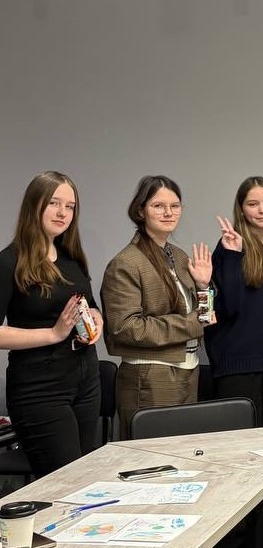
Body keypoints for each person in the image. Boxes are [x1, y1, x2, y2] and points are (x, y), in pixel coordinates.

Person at [0, 171, 101, 477]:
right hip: (40, 388)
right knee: (64, 482)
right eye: (54, 203)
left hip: (85, 379)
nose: (62, 213)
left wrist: (96, 321)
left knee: (85, 480)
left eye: (70, 206)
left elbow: (90, 305)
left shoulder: (72, 257)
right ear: (35, 205)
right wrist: (53, 333)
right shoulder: (10, 261)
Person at [101, 175, 215, 440]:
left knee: (182, 453)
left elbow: (203, 314)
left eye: (175, 206)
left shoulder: (179, 256)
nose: (168, 213)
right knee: (151, 456)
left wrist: (203, 286)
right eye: (158, 206)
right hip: (150, 374)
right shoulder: (126, 263)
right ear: (141, 210)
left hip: (188, 368)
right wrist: (193, 322)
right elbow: (126, 328)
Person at [205, 176, 263, 428]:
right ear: (241, 210)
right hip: (238, 371)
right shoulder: (228, 248)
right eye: (253, 204)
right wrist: (233, 255)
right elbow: (227, 307)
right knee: (240, 446)